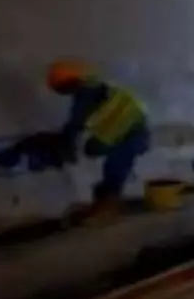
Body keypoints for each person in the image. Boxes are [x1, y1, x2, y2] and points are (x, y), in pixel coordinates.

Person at [46, 59, 149, 219]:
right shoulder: (95, 86)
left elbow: (76, 123)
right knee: (108, 158)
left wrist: (67, 145)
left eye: (61, 89)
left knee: (114, 161)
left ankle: (109, 203)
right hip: (134, 125)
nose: (62, 93)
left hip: (130, 129)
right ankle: (106, 198)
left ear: (69, 83)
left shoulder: (86, 93)